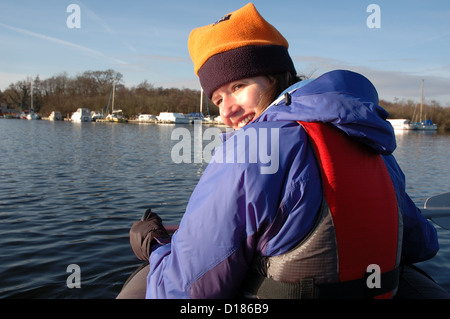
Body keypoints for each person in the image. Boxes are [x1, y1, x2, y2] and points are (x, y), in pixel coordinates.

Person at [118, 3, 447, 299]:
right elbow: (422, 244)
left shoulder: (251, 149)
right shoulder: (369, 141)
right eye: (218, 99)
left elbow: (182, 292)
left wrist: (156, 247)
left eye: (238, 87)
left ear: (277, 76)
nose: (227, 111)